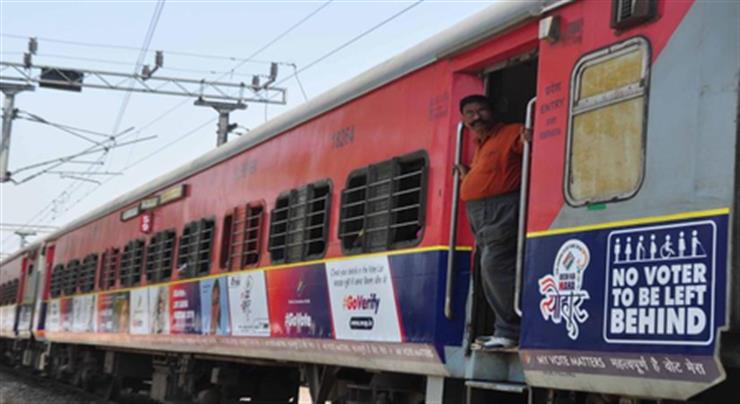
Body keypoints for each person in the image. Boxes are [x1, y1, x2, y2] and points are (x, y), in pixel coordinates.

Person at [456, 94, 528, 349]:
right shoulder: (480, 144)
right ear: (464, 120)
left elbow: (532, 146)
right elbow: (491, 174)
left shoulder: (511, 132)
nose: (476, 117)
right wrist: (468, 178)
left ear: (492, 111)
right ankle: (503, 328)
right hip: (480, 214)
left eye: (481, 110)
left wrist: (531, 138)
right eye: (470, 113)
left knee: (495, 264)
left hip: (502, 209)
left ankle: (510, 330)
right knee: (488, 268)